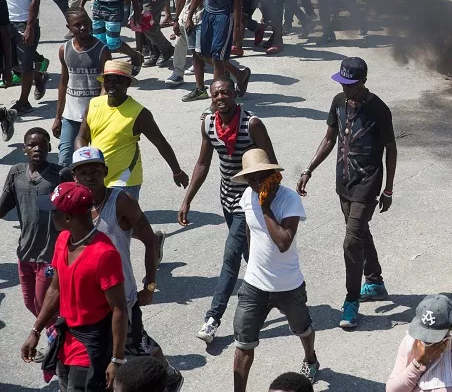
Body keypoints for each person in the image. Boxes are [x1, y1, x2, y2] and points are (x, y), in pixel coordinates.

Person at [70, 146, 183, 391]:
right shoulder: (75, 207)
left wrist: (150, 285)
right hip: (91, 299)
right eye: (83, 172)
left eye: (95, 170)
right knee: (105, 350)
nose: (89, 176)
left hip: (122, 295)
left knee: (137, 345)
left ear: (105, 171)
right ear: (74, 177)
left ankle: (170, 376)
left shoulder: (121, 202)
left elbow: (150, 240)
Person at [300, 57, 397, 330]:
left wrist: (388, 188)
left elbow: (391, 149)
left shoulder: (378, 109)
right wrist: (309, 169)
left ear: (364, 82)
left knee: (351, 241)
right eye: (343, 83)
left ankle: (351, 300)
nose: (346, 89)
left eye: (351, 85)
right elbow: (329, 138)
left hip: (368, 183)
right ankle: (375, 282)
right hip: (343, 181)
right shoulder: (338, 102)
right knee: (360, 232)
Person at [178, 77, 276, 344]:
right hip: (227, 198)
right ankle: (279, 294)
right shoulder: (208, 124)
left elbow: (272, 165)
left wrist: (266, 203)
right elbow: (202, 164)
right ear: (211, 97)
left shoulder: (252, 123)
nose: (221, 97)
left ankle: (212, 319)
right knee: (250, 254)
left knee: (231, 259)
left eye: (226, 92)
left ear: (236, 94)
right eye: (216, 94)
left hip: (250, 199)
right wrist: (187, 200)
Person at [19, 182, 127, 392]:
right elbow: (55, 289)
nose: (50, 217)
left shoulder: (104, 254)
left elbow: (119, 309)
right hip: (65, 341)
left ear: (68, 217)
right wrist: (36, 330)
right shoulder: (63, 240)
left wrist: (116, 360)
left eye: (54, 212)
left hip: (90, 348)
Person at [231, 148, 319, 389]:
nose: (257, 183)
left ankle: (310, 359)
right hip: (254, 285)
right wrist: (252, 261)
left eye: (262, 176)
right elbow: (250, 228)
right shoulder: (248, 196)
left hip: (288, 284)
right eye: (251, 178)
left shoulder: (289, 199)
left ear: (272, 173)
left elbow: (283, 242)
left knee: (302, 328)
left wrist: (266, 206)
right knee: (243, 344)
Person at [76, 60, 188, 200]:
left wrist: (176, 171)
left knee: (122, 219)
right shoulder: (94, 104)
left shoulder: (139, 113)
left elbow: (160, 143)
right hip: (96, 176)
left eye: (118, 81)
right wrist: (82, 161)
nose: (112, 85)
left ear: (127, 84)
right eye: (108, 81)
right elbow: (81, 136)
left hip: (124, 178)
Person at [0, 128, 72, 319]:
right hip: (25, 253)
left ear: (49, 147)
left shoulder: (60, 174)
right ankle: (60, 337)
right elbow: (3, 207)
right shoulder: (16, 173)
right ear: (24, 148)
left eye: (42, 145)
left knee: (43, 306)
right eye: (32, 145)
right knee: (30, 304)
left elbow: (75, 211)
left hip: (50, 256)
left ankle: (58, 345)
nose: (37, 148)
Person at [385, 295, 452, 392]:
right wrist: (418, 363)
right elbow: (392, 390)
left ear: (450, 327)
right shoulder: (409, 343)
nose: (426, 340)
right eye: (422, 333)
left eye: (433, 337)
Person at [53, 8, 110, 169]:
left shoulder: (102, 50)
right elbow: (63, 83)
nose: (83, 27)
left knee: (96, 161)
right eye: (77, 25)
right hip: (71, 117)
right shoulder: (64, 50)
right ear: (69, 28)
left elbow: (105, 85)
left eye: (86, 22)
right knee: (65, 161)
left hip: (95, 117)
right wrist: (58, 117)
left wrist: (97, 111)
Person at [0, 0, 44, 114]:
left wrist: (29, 27)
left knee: (24, 64)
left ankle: (23, 101)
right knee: (12, 64)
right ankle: (39, 76)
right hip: (4, 22)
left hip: (24, 22)